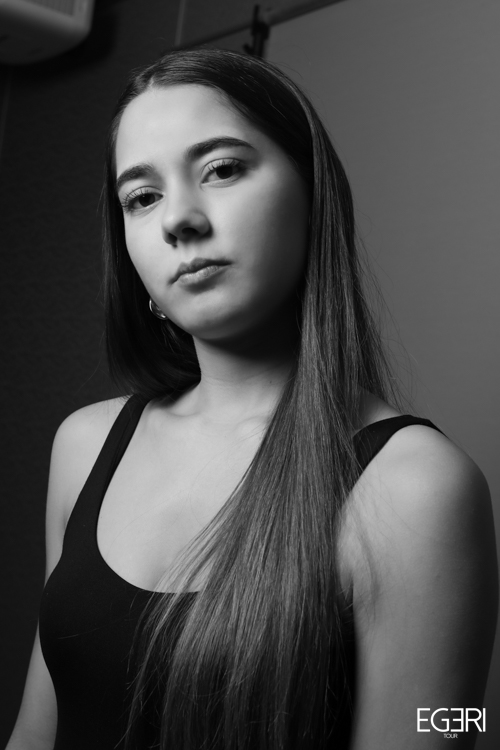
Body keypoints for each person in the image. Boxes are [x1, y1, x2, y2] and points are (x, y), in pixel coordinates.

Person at [6, 48, 498, 750]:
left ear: (313, 196)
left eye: (222, 169)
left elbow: (450, 723)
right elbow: (36, 730)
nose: (179, 219)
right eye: (141, 197)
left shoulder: (417, 487)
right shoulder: (85, 445)